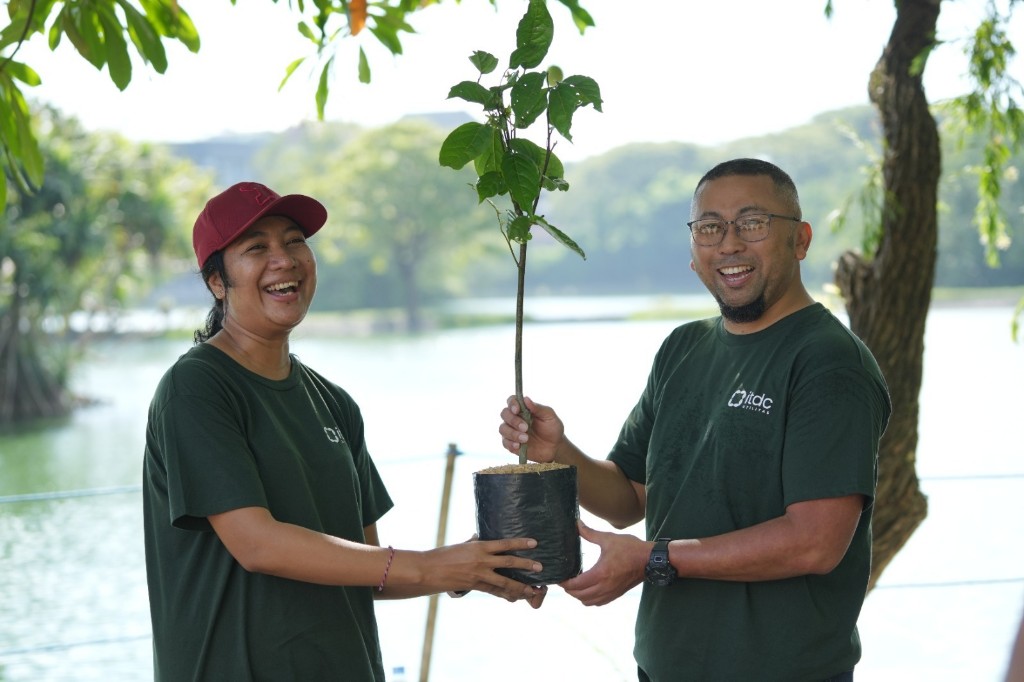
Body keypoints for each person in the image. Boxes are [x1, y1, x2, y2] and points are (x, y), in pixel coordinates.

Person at [499, 158, 891, 681]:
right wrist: (560, 453)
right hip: (665, 665)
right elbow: (627, 499)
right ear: (693, 252)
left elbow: (815, 542)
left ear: (800, 240)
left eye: (752, 223)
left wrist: (652, 559)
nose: (729, 244)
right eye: (710, 228)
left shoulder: (828, 361)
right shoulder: (683, 348)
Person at [143, 181, 546, 681]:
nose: (284, 260)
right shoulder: (196, 388)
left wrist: (470, 566)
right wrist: (433, 565)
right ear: (216, 283)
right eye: (256, 248)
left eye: (294, 241)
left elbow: (368, 569)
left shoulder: (333, 402)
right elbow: (257, 544)